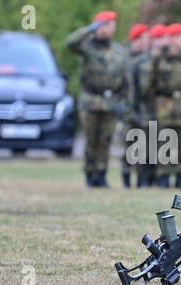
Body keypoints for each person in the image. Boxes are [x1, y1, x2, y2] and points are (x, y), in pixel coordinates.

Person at [66, 11, 129, 188]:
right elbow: (70, 43)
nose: (110, 30)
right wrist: (89, 30)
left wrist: (123, 100)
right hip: (90, 100)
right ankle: (89, 174)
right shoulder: (86, 46)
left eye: (112, 27)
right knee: (91, 140)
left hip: (110, 101)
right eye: (106, 26)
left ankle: (101, 175)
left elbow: (125, 79)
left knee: (105, 140)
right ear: (98, 27)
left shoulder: (118, 50)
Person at [150, 23, 181, 189]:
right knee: (165, 141)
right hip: (165, 104)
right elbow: (151, 84)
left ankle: (179, 176)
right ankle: (164, 176)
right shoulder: (159, 59)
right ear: (170, 39)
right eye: (178, 36)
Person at [122, 23, 149, 188]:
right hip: (126, 107)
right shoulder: (125, 58)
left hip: (143, 108)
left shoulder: (147, 59)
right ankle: (126, 179)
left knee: (144, 145)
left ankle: (142, 179)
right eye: (143, 38)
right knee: (128, 145)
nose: (146, 42)